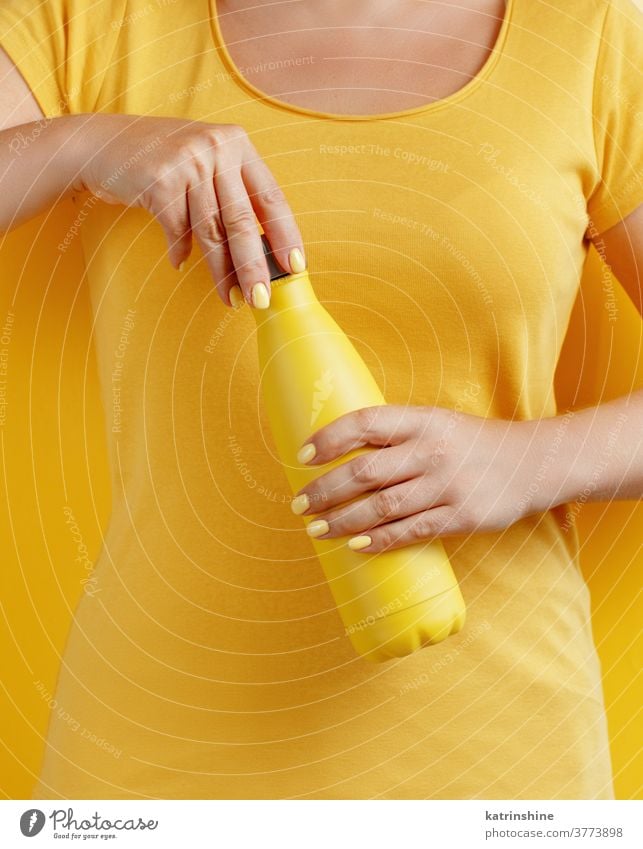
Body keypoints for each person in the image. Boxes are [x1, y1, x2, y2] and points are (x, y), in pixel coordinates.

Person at [0, 0, 641, 800]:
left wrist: (526, 462)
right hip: (159, 746)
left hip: (499, 748)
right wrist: (81, 144)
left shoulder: (590, 34)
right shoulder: (87, 19)